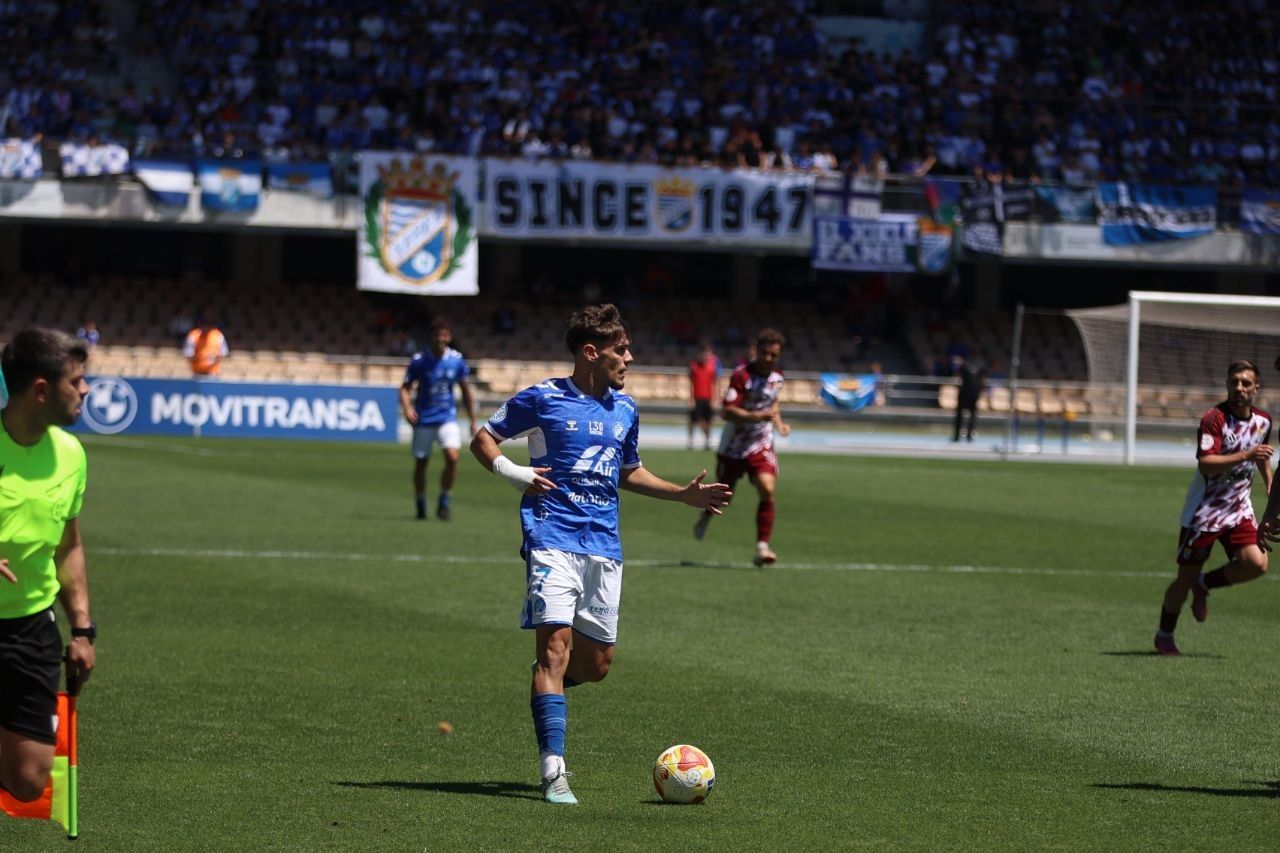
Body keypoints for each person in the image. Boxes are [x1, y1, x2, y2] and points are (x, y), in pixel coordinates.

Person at [469, 304, 732, 805]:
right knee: (554, 650)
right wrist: (516, 473)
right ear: (591, 353)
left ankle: (549, 683)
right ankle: (554, 772)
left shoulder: (625, 409)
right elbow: (484, 438)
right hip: (552, 536)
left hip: (604, 546)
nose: (629, 358)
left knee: (596, 666)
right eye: (621, 350)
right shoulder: (543, 398)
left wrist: (682, 494)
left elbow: (627, 470)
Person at [0, 329, 96, 802]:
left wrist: (82, 630)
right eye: (76, 381)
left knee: (29, 781)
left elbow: (69, 547)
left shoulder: (71, 454)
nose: (85, 390)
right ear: (41, 390)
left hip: (29, 628)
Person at [1155, 360, 1273, 656]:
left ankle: (1205, 585)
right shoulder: (1214, 419)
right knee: (1183, 580)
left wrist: (1272, 489)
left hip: (1239, 508)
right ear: (1227, 384)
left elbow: (1262, 457)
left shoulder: (1264, 421)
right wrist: (1246, 454)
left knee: (1257, 563)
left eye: (1246, 383)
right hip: (1204, 513)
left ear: (1256, 388)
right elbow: (1206, 465)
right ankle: (1164, 634)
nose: (1239, 388)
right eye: (1234, 382)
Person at [693, 328, 791, 566]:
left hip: (761, 443)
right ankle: (706, 515)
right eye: (765, 353)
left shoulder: (778, 377)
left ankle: (762, 547)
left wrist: (778, 423)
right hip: (735, 444)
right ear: (756, 351)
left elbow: (773, 402)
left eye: (773, 356)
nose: (768, 359)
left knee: (767, 489)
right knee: (725, 494)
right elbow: (727, 411)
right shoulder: (741, 376)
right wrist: (757, 416)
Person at [399, 318, 477, 521]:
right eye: (438, 335)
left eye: (445, 335)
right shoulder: (419, 360)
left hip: (447, 418)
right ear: (432, 336)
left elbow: (466, 391)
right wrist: (407, 409)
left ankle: (444, 501)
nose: (441, 339)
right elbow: (405, 388)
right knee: (421, 463)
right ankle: (420, 502)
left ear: (449, 337)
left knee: (452, 457)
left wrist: (472, 420)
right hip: (424, 420)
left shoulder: (457, 360)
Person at [687, 342, 720, 450]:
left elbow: (715, 384)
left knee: (708, 421)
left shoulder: (712, 367)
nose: (705, 356)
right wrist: (691, 398)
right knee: (694, 420)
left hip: (708, 398)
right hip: (697, 398)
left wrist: (715, 399)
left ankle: (708, 440)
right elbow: (691, 383)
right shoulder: (693, 366)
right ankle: (691, 440)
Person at [951, 353, 986, 442]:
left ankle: (958, 436)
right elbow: (983, 380)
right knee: (970, 416)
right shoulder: (979, 364)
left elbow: (957, 376)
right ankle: (967, 436)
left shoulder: (964, 364)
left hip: (967, 394)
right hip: (972, 394)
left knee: (964, 416)